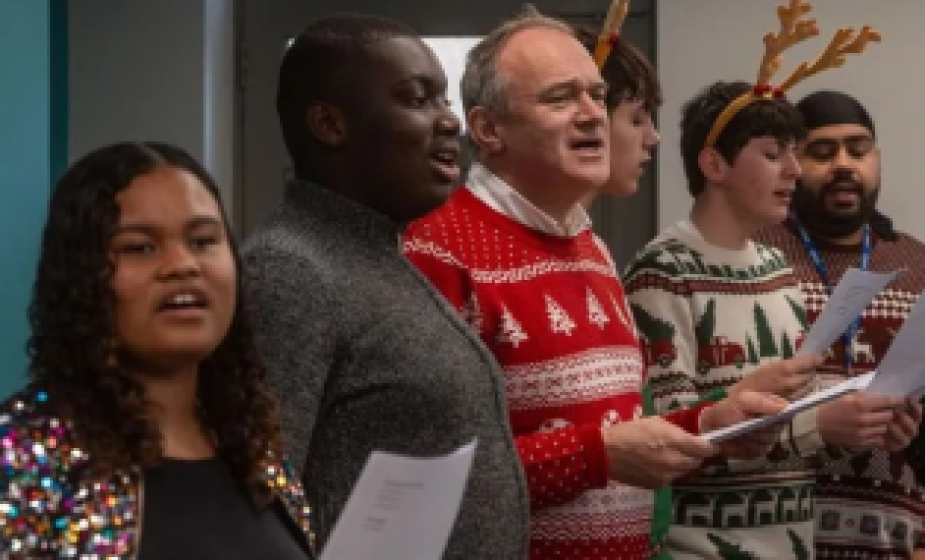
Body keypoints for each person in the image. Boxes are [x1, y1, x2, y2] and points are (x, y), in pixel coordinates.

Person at [403, 10, 816, 560]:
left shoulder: (590, 248)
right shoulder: (436, 249)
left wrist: (713, 420)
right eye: (560, 99)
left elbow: (626, 437)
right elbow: (428, 476)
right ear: (487, 130)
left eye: (597, 96)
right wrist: (597, 456)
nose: (592, 115)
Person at [623, 6, 917, 556]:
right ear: (715, 165)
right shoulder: (664, 271)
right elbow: (666, 435)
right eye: (772, 154)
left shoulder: (775, 271)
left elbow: (794, 423)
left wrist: (864, 421)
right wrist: (818, 426)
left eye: (792, 154)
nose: (793, 171)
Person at [241, 14, 529, 559]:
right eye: (416, 99)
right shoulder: (290, 270)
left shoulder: (376, 252)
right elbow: (261, 501)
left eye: (444, 99)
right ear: (330, 125)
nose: (448, 122)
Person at [0, 142, 316, 559]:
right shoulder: (23, 451)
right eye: (140, 248)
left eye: (203, 241)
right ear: (82, 277)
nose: (183, 265)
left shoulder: (257, 452)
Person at [756, 89, 925, 558]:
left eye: (858, 149)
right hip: (770, 534)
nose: (844, 164)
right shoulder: (756, 256)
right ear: (793, 162)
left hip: (891, 539)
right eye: (822, 152)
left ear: (877, 159)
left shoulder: (917, 264)